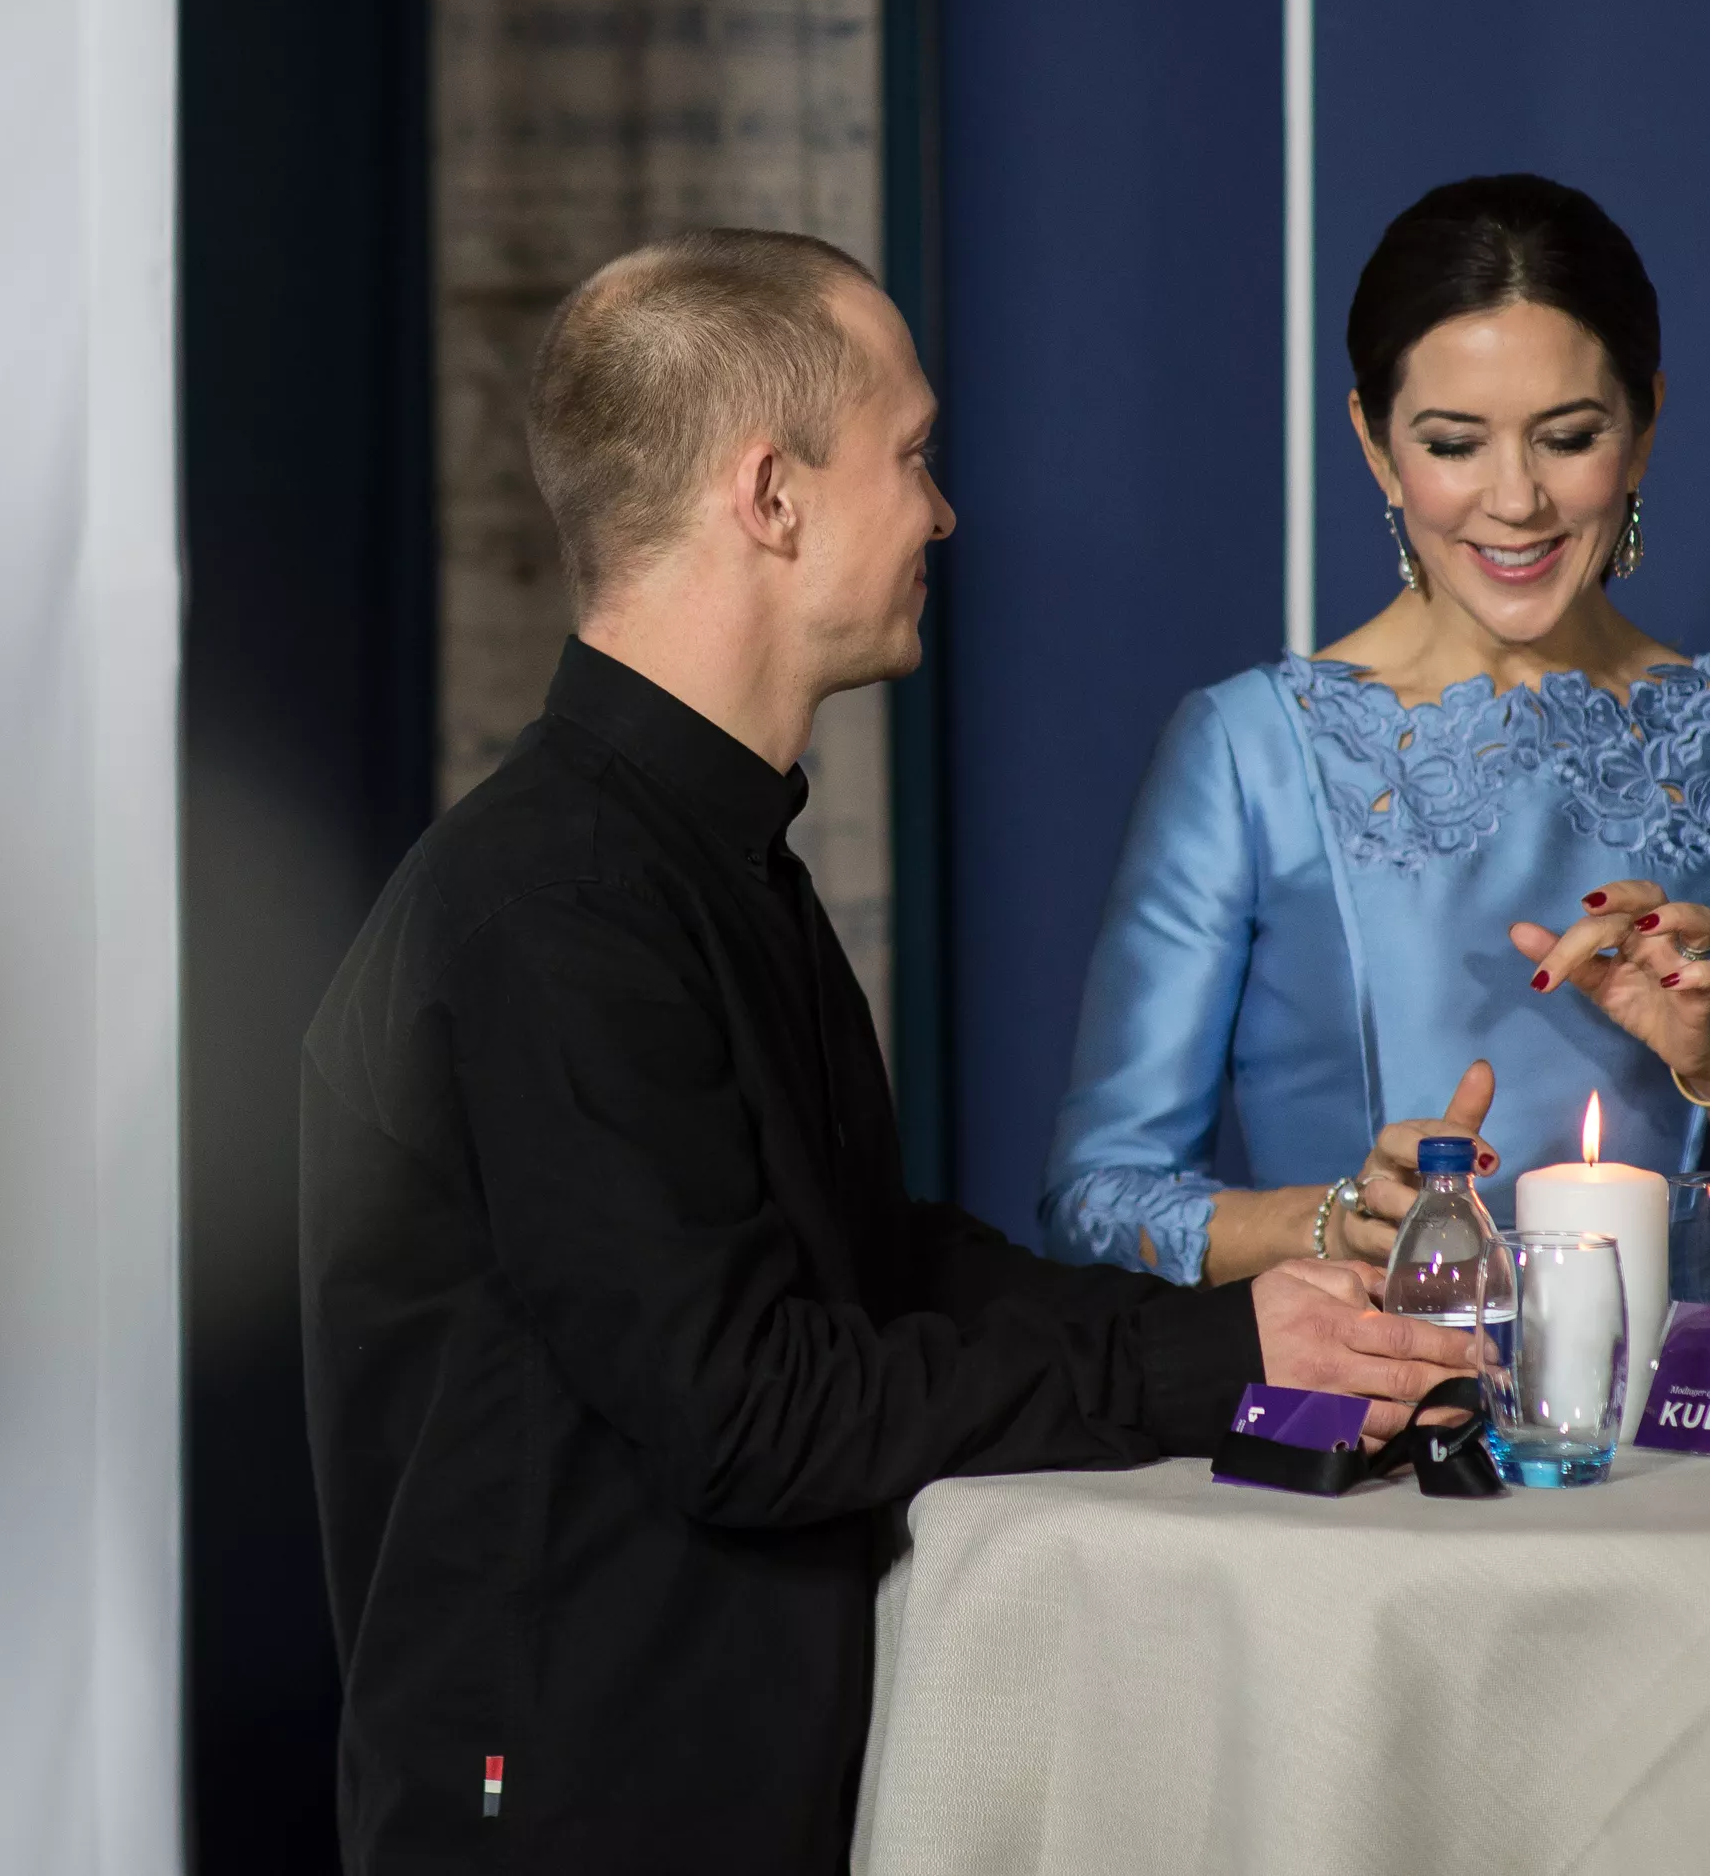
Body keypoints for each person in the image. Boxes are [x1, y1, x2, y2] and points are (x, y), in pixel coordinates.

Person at [301, 229, 1478, 1874]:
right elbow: (749, 1407)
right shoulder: (554, 906)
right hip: (581, 1821)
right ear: (770, 496)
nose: (941, 512)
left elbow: (875, 1269)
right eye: (910, 454)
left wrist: (1263, 1328)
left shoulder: (696, 864)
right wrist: (1216, 1359)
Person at [1041, 174, 1710, 1287]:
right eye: (1452, 444)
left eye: (1567, 437)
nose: (1514, 499)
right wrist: (1335, 1223)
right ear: (1373, 444)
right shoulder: (1249, 753)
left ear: (1642, 427)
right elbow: (1097, 1202)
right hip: (1372, 1389)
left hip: (1692, 1396)